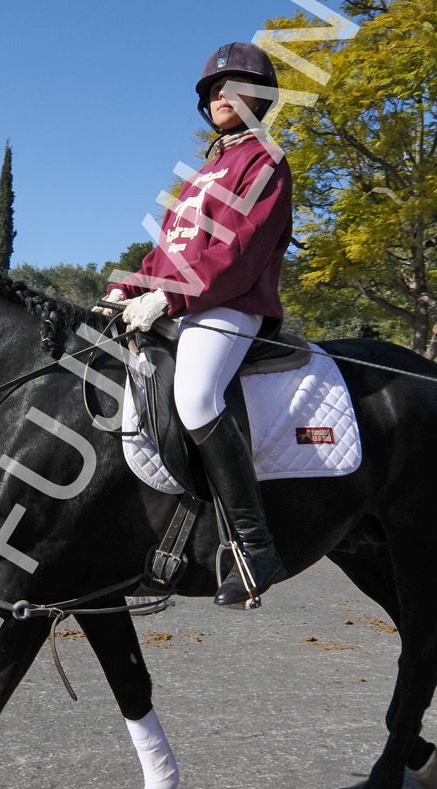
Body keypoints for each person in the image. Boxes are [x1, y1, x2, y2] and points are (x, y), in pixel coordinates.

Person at [100, 42, 293, 607]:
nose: (219, 96)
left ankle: (255, 546)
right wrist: (126, 288)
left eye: (232, 86)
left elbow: (239, 252)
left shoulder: (266, 161)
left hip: (231, 305)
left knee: (196, 395)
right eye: (212, 89)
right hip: (183, 301)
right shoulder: (202, 175)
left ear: (259, 98)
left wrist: (168, 297)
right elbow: (165, 255)